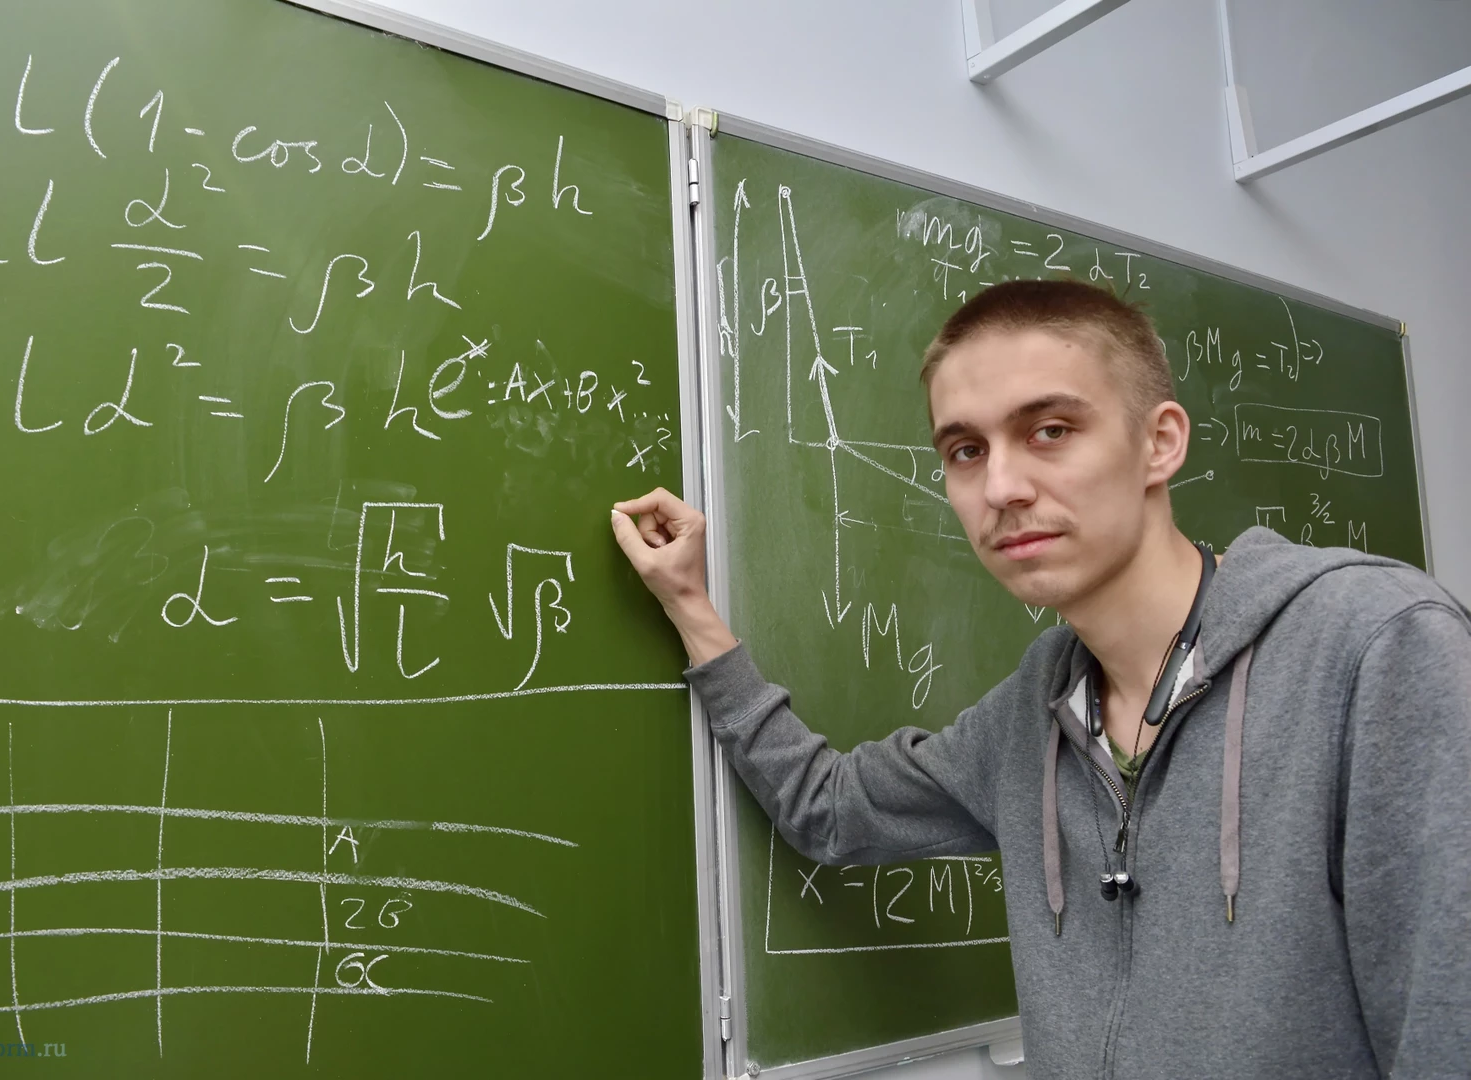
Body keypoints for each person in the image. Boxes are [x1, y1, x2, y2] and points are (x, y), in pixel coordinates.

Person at [608, 280, 1471, 1079]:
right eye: (965, 450)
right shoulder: (1036, 711)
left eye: (1049, 430)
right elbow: (830, 809)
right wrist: (691, 607)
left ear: (1160, 442)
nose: (1002, 487)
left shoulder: (1373, 649)